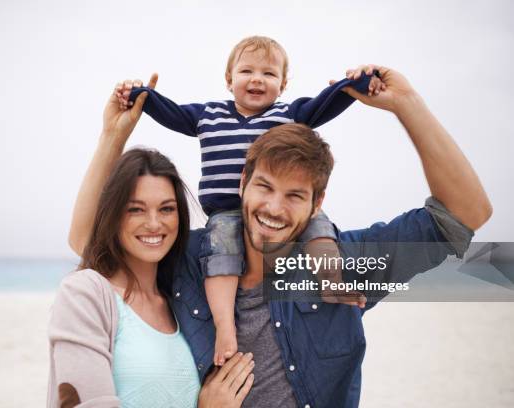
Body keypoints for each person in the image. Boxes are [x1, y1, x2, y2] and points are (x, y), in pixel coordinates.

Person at [69, 64, 492, 407]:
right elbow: (90, 241)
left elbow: (465, 214)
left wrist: (407, 105)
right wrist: (113, 135)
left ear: (317, 202)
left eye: (295, 195)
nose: (273, 208)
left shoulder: (345, 264)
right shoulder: (191, 262)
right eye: (265, 187)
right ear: (242, 185)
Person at [116, 36, 380, 365]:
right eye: (246, 71)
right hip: (226, 212)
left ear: (282, 85)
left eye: (269, 74)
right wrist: (143, 96)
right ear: (229, 80)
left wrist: (355, 82)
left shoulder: (290, 114)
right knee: (221, 258)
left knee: (319, 226)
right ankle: (225, 327)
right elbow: (171, 113)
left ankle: (331, 280)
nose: (257, 79)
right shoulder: (207, 115)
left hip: (278, 210)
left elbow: (327, 102)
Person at [47, 88, 255, 407]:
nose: (155, 224)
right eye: (135, 209)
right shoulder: (87, 294)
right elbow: (83, 239)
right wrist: (112, 136)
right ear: (113, 215)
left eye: (167, 209)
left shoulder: (181, 296)